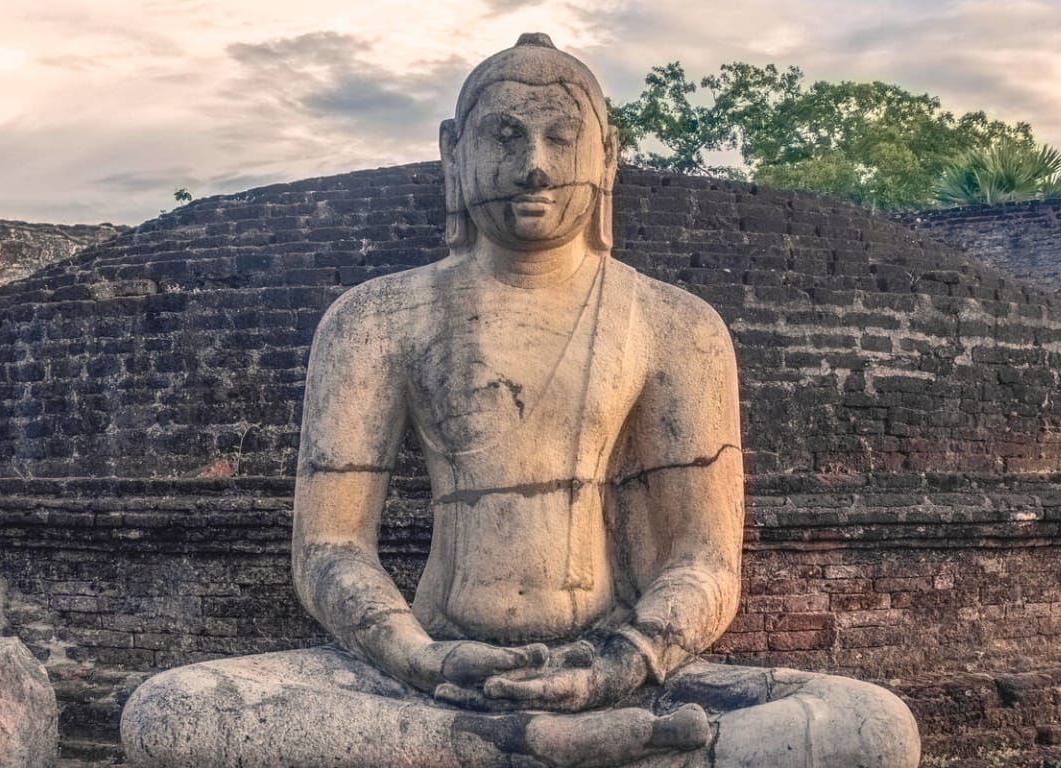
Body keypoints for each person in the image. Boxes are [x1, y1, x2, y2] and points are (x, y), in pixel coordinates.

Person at [120, 34, 920, 768]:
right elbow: (329, 548)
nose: (534, 164)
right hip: (436, 673)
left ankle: (526, 744)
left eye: (560, 138)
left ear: (608, 158)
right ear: (453, 151)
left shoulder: (677, 326)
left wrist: (622, 661)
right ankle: (514, 744)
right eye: (505, 135)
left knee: (874, 726)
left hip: (615, 665)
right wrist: (417, 656)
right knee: (171, 711)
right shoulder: (375, 320)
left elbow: (705, 560)